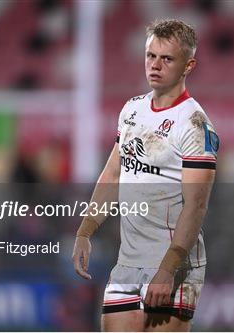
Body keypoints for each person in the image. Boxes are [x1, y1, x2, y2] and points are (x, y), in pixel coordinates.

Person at [72, 19, 219, 331]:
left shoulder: (194, 125)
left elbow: (196, 206)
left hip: (174, 263)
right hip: (129, 261)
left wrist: (167, 269)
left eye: (167, 59)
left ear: (188, 65)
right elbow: (112, 174)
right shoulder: (132, 110)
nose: (155, 65)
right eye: (151, 56)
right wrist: (85, 231)